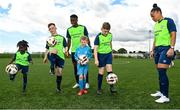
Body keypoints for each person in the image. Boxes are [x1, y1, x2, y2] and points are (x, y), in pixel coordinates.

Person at [150, 3, 177, 103]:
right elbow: (155, 39)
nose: (152, 18)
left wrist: (172, 48)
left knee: (161, 70)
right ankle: (161, 92)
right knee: (160, 71)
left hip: (166, 48)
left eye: (152, 16)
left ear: (158, 12)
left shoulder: (168, 21)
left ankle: (165, 96)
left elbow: (173, 34)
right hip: (157, 49)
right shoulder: (156, 25)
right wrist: (152, 50)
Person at [66, 14, 91, 89]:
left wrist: (89, 47)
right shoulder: (69, 29)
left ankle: (86, 82)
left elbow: (87, 38)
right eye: (71, 20)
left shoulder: (83, 27)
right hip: (74, 51)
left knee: (84, 66)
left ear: (77, 20)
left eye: (73, 20)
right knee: (76, 68)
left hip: (84, 50)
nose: (72, 22)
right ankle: (78, 82)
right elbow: (69, 41)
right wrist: (67, 50)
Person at [43, 23, 68, 92]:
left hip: (61, 57)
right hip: (52, 55)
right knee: (54, 50)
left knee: (59, 73)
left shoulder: (61, 37)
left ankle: (58, 88)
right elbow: (47, 49)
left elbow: (65, 46)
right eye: (50, 29)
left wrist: (66, 51)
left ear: (55, 28)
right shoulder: (49, 39)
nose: (51, 30)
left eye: (52, 28)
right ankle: (51, 68)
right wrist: (45, 57)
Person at [94, 22, 117, 95]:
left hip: (108, 54)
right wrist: (96, 59)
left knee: (110, 70)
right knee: (101, 71)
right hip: (101, 55)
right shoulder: (98, 37)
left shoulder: (110, 35)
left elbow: (110, 43)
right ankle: (99, 88)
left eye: (108, 31)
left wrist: (112, 52)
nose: (106, 33)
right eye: (105, 31)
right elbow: (95, 49)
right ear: (101, 29)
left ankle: (112, 87)